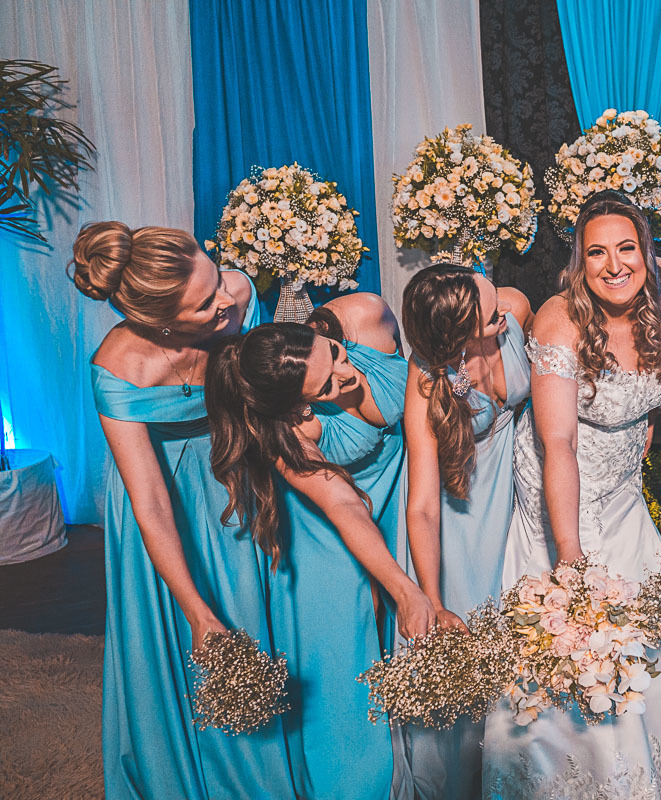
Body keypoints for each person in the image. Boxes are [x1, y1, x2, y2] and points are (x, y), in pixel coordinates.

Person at [481, 191, 661, 798]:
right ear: (578, 263)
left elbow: (653, 380)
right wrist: (569, 553)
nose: (615, 265)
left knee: (648, 645)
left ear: (647, 252)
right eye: (597, 253)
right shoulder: (561, 321)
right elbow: (556, 441)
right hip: (565, 500)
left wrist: (657, 421)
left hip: (625, 498)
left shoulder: (660, 294)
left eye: (627, 248)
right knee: (568, 653)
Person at [73, 222, 297, 799]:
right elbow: (148, 500)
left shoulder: (235, 295)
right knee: (198, 629)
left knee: (265, 613)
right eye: (207, 304)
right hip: (164, 501)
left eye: (219, 279)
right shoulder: (120, 369)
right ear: (163, 323)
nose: (229, 299)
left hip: (234, 465)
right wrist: (197, 612)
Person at [205, 311, 435, 800]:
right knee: (346, 657)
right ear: (297, 408)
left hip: (411, 491)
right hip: (336, 526)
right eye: (327, 388)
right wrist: (405, 590)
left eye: (334, 354)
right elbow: (344, 506)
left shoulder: (363, 315)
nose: (347, 375)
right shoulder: (288, 434)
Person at [400, 265, 532, 799]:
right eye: (488, 311)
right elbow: (424, 504)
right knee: (467, 648)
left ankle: (517, 772)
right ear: (456, 334)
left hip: (517, 503)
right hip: (461, 519)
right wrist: (429, 598)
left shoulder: (513, 312)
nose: (501, 309)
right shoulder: (427, 377)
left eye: (492, 294)